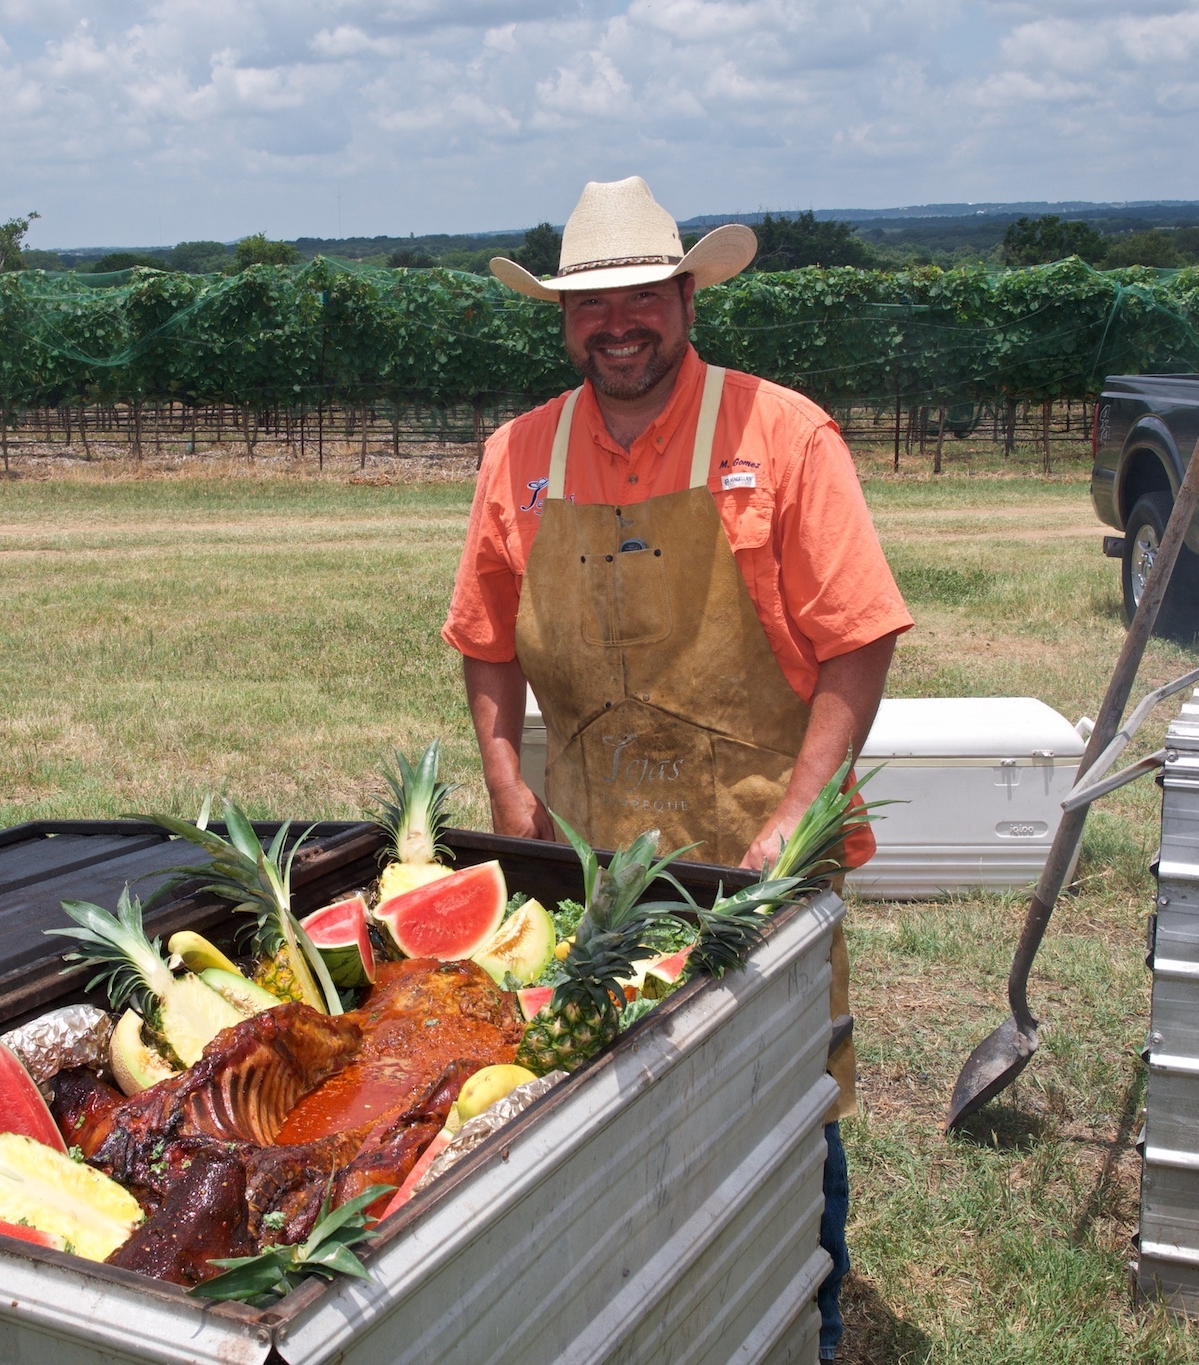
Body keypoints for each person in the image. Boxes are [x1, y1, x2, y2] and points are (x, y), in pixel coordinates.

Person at [441, 176, 912, 1360]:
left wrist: (791, 823)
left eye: (641, 296)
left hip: (757, 841)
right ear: (559, 319)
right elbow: (485, 645)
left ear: (686, 296)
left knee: (779, 1100)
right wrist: (509, 798)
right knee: (598, 1096)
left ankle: (800, 1316)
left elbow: (858, 638)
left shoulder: (782, 433)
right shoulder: (517, 455)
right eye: (591, 305)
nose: (618, 325)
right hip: (591, 849)